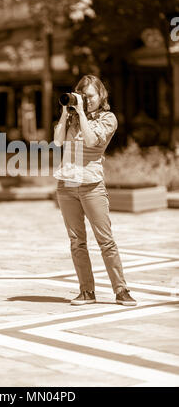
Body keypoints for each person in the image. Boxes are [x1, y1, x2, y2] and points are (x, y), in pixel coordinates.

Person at [53, 74, 136, 306]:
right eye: (82, 96)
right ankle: (86, 291)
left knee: (105, 241)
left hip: (91, 185)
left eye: (90, 96)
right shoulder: (70, 118)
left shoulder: (108, 118)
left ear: (102, 96)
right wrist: (65, 112)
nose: (86, 101)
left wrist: (80, 113)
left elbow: (91, 142)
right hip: (67, 184)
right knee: (77, 241)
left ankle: (121, 290)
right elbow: (58, 142)